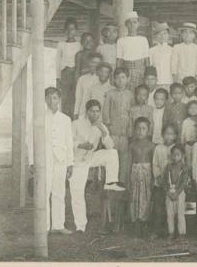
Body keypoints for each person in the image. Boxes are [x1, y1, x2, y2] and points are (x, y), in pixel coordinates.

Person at [70, 99, 125, 233]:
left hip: (90, 158)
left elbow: (110, 146)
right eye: (92, 111)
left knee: (112, 153)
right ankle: (80, 226)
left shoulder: (100, 125)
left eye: (97, 111)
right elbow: (68, 142)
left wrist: (103, 131)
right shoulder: (76, 124)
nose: (95, 114)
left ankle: (111, 182)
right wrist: (81, 145)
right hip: (76, 160)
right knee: (77, 192)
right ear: (87, 111)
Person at [35, 87, 74, 234]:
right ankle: (44, 226)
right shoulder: (39, 118)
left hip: (60, 160)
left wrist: (70, 163)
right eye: (49, 98)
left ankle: (58, 225)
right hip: (45, 160)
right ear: (45, 100)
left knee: (59, 192)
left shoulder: (65, 119)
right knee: (44, 192)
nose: (52, 101)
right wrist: (33, 161)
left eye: (55, 98)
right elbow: (32, 140)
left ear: (59, 100)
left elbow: (69, 142)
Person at [103, 67, 135, 184]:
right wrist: (108, 127)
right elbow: (105, 112)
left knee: (124, 158)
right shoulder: (110, 94)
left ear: (128, 79)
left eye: (123, 77)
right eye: (117, 78)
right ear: (114, 80)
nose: (120, 80)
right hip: (113, 132)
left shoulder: (130, 95)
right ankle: (111, 181)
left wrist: (130, 129)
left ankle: (122, 181)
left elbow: (132, 113)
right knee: (112, 156)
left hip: (125, 132)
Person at [129, 117, 156, 237]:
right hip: (135, 173)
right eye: (138, 128)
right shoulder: (132, 145)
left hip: (147, 174)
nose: (141, 131)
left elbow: (153, 163)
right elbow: (129, 162)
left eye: (143, 128)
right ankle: (136, 222)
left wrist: (153, 179)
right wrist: (128, 178)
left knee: (146, 196)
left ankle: (144, 221)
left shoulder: (151, 146)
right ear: (135, 130)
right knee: (135, 196)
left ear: (148, 131)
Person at [151, 124, 177, 238]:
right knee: (158, 207)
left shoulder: (177, 148)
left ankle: (170, 231)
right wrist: (158, 177)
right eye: (166, 133)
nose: (168, 136)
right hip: (160, 183)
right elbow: (155, 164)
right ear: (162, 135)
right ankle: (156, 231)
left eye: (171, 134)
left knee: (171, 208)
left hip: (172, 184)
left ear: (175, 136)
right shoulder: (158, 148)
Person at [116, 11, 150, 91]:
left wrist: (147, 75)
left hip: (141, 71)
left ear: (138, 24)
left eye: (134, 22)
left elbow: (147, 60)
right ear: (126, 25)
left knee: (140, 93)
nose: (132, 25)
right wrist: (118, 75)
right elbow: (119, 61)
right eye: (129, 22)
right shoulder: (121, 41)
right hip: (126, 71)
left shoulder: (143, 39)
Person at [55, 17, 81, 117]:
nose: (70, 31)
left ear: (76, 31)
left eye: (73, 29)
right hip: (65, 73)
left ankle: (74, 119)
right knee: (65, 98)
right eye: (68, 29)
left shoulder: (79, 45)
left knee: (75, 96)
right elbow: (58, 62)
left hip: (75, 73)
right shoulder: (61, 44)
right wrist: (58, 78)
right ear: (65, 31)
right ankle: (65, 118)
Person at [163, 145, 190, 241]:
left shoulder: (184, 168)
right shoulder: (168, 167)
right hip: (169, 193)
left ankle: (181, 234)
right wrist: (168, 192)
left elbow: (184, 182)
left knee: (180, 213)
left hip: (180, 193)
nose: (175, 157)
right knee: (169, 213)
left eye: (178, 154)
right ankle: (171, 232)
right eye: (173, 155)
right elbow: (164, 181)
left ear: (182, 155)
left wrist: (177, 192)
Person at [74, 52, 101, 119]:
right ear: (89, 62)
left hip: (97, 115)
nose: (95, 65)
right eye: (93, 62)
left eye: (98, 63)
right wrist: (76, 113)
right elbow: (78, 98)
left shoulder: (102, 80)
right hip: (83, 113)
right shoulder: (82, 79)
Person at [149, 22, 173, 91]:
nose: (162, 36)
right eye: (159, 34)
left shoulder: (172, 50)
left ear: (168, 35)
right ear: (156, 36)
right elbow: (151, 67)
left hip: (169, 82)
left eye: (165, 33)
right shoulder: (151, 50)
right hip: (156, 83)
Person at [181, 100, 197, 169]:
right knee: (188, 163)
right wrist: (182, 144)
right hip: (188, 145)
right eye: (191, 108)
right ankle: (189, 178)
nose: (193, 110)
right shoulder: (186, 121)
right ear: (187, 110)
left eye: (195, 108)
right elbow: (183, 135)